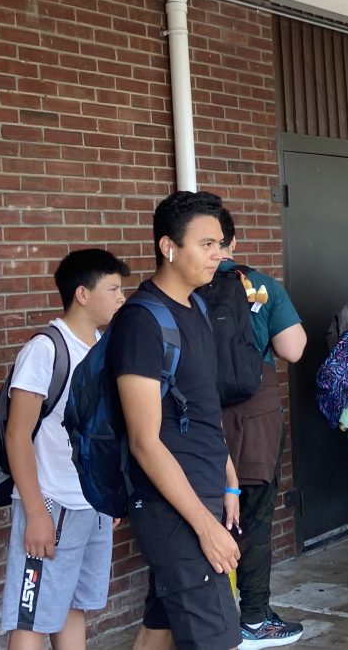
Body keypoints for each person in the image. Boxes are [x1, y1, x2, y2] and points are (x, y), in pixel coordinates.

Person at [111, 191, 242, 650]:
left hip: (203, 490)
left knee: (160, 626)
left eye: (221, 244)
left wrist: (228, 481)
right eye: (207, 244)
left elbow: (204, 407)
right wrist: (205, 527)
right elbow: (144, 441)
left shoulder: (197, 306)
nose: (219, 255)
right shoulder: (142, 322)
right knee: (216, 638)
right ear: (169, 247)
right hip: (173, 506)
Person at [1, 249, 129, 649]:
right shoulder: (46, 348)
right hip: (51, 503)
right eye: (112, 289)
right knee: (33, 615)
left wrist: (107, 499)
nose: (121, 297)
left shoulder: (100, 346)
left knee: (73, 605)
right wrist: (36, 513)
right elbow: (16, 434)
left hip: (91, 505)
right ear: (82, 294)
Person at [210, 208, 308, 649]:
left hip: (199, 413)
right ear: (234, 240)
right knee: (255, 515)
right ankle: (252, 616)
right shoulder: (260, 285)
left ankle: (211, 614)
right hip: (257, 413)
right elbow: (294, 349)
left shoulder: (184, 288)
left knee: (205, 512)